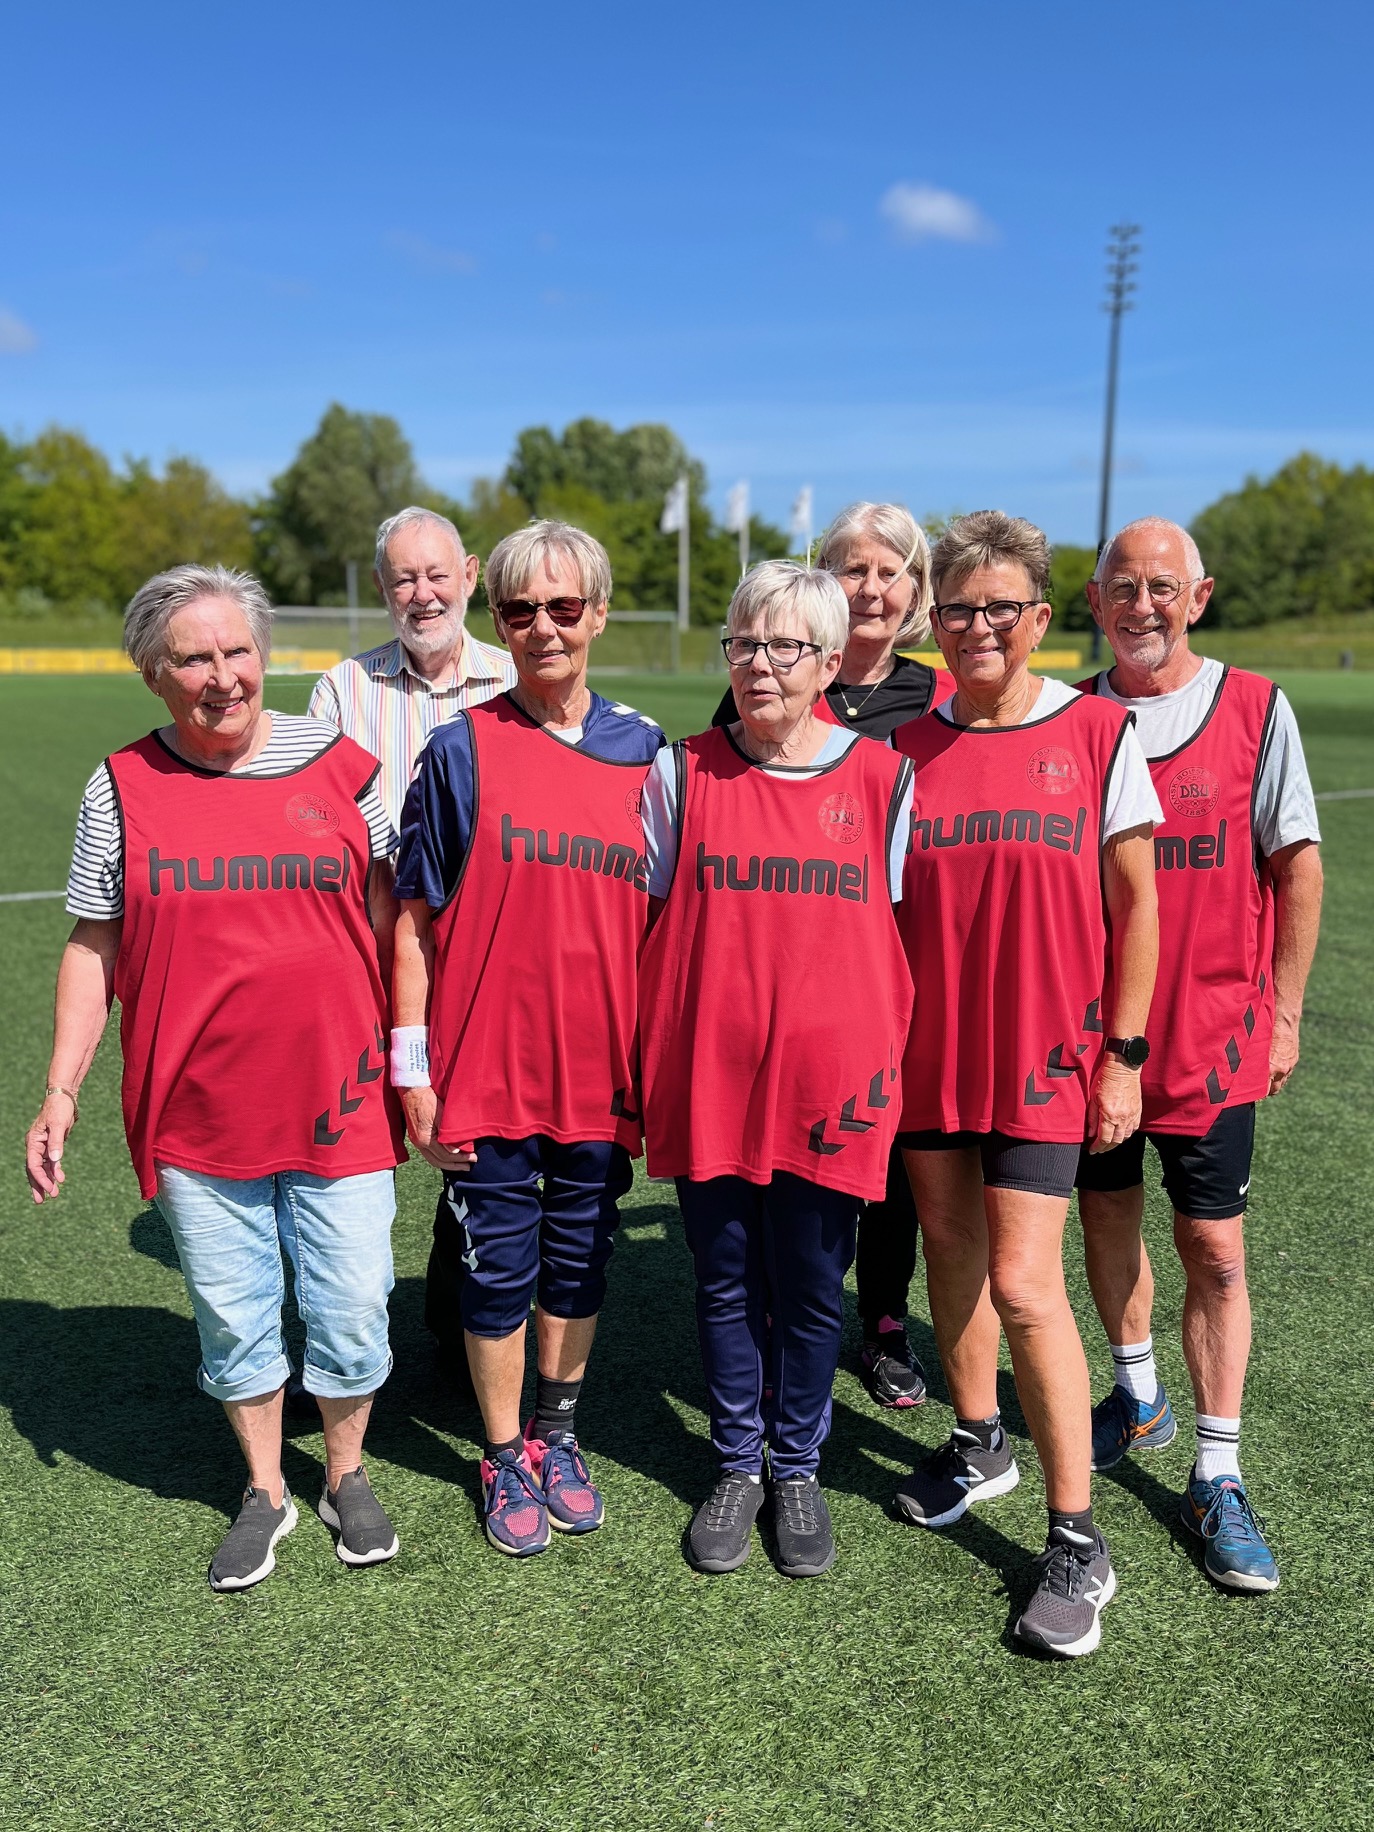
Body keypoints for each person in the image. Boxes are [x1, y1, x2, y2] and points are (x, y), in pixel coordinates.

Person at [24, 564, 405, 1591]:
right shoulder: (119, 786)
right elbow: (93, 943)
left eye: (238, 650)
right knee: (235, 1314)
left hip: (341, 1096)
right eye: (194, 658)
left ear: (264, 653)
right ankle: (266, 1489)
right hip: (195, 1109)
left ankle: (347, 1472)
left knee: (353, 1301)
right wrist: (60, 1089)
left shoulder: (343, 768)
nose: (223, 676)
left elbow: (393, 923)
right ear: (153, 672)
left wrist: (415, 1056)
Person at [890, 511, 1160, 1658]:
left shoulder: (1096, 732)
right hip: (928, 1055)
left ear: (1042, 617)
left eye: (1001, 607)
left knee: (1026, 1282)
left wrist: (1123, 1055)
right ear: (936, 620)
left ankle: (1077, 1537)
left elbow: (1138, 907)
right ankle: (977, 1439)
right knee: (948, 1248)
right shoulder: (905, 750)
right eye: (958, 609)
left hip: (1047, 1058)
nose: (979, 627)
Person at [640, 560, 917, 1580]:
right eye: (744, 643)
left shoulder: (884, 780)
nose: (759, 665)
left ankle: (796, 1465)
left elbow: (900, 937)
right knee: (723, 1280)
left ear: (831, 663)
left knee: (808, 1286)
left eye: (785, 646)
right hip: (709, 1076)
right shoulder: (680, 772)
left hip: (830, 1089)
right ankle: (736, 1464)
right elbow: (648, 923)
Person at [392, 520, 664, 1558]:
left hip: (601, 1074)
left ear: (599, 613)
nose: (543, 626)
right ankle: (503, 1449)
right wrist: (413, 1071)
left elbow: (666, 928)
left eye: (563, 606)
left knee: (580, 1261)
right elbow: (412, 923)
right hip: (487, 1070)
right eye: (519, 609)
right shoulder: (460, 749)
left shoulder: (649, 753)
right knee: (498, 1270)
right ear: (497, 622)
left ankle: (559, 1432)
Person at [1075, 516, 1323, 1593]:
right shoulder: (1072, 715)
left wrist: (1287, 1012)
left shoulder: (1257, 709)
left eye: (1162, 586)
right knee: (1106, 1218)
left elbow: (1296, 864)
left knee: (1215, 1248)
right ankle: (1138, 1395)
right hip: (1097, 1039)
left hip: (1213, 1037)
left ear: (1200, 596)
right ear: (1095, 603)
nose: (1143, 605)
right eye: (1124, 587)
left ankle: (1218, 1469)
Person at [713, 503, 953, 1410]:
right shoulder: (764, 679)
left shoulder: (936, 697)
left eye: (892, 572)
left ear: (917, 590)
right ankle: (778, 1314)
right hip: (784, 965)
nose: (873, 587)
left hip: (890, 948)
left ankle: (883, 1320)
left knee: (886, 1160)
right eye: (855, 568)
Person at [309, 505, 514, 1377]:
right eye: (404, 578)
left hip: (483, 950)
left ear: (469, 575)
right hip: (369, 943)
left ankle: (454, 1316)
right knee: (361, 1132)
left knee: (472, 1139)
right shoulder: (341, 690)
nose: (422, 594)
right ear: (382, 587)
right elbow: (323, 832)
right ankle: (341, 1327)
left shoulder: (515, 673)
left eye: (437, 574)